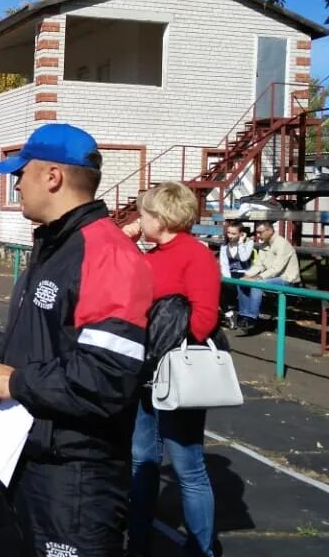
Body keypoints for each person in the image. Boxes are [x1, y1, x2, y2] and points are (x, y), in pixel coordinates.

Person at [0, 123, 153, 556]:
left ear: (53, 176)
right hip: (34, 459)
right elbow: (38, 345)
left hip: (76, 477)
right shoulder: (52, 247)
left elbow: (107, 377)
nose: (15, 182)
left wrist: (14, 384)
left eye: (21, 172)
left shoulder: (104, 253)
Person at [122, 182, 222, 557]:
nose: (138, 220)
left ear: (161, 218)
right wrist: (129, 235)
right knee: (142, 458)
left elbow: (205, 316)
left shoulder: (194, 255)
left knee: (187, 466)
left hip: (176, 372)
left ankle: (201, 549)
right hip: (148, 372)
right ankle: (139, 538)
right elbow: (115, 261)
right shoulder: (154, 252)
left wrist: (168, 349)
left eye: (143, 214)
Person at [238, 220, 299, 334]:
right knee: (242, 282)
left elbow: (276, 269)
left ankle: (252, 318)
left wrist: (258, 278)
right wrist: (247, 275)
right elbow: (259, 264)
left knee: (257, 284)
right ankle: (244, 315)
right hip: (272, 278)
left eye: (260, 232)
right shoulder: (264, 244)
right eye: (256, 232)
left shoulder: (282, 244)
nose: (257, 235)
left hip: (287, 279)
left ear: (270, 230)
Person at [218, 220, 259, 329]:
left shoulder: (248, 243)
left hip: (245, 273)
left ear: (241, 234)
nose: (230, 236)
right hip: (230, 274)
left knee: (237, 287)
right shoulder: (224, 246)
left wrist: (241, 242)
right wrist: (228, 279)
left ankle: (240, 315)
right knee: (217, 286)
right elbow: (224, 265)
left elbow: (244, 257)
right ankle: (228, 314)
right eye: (228, 233)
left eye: (233, 233)